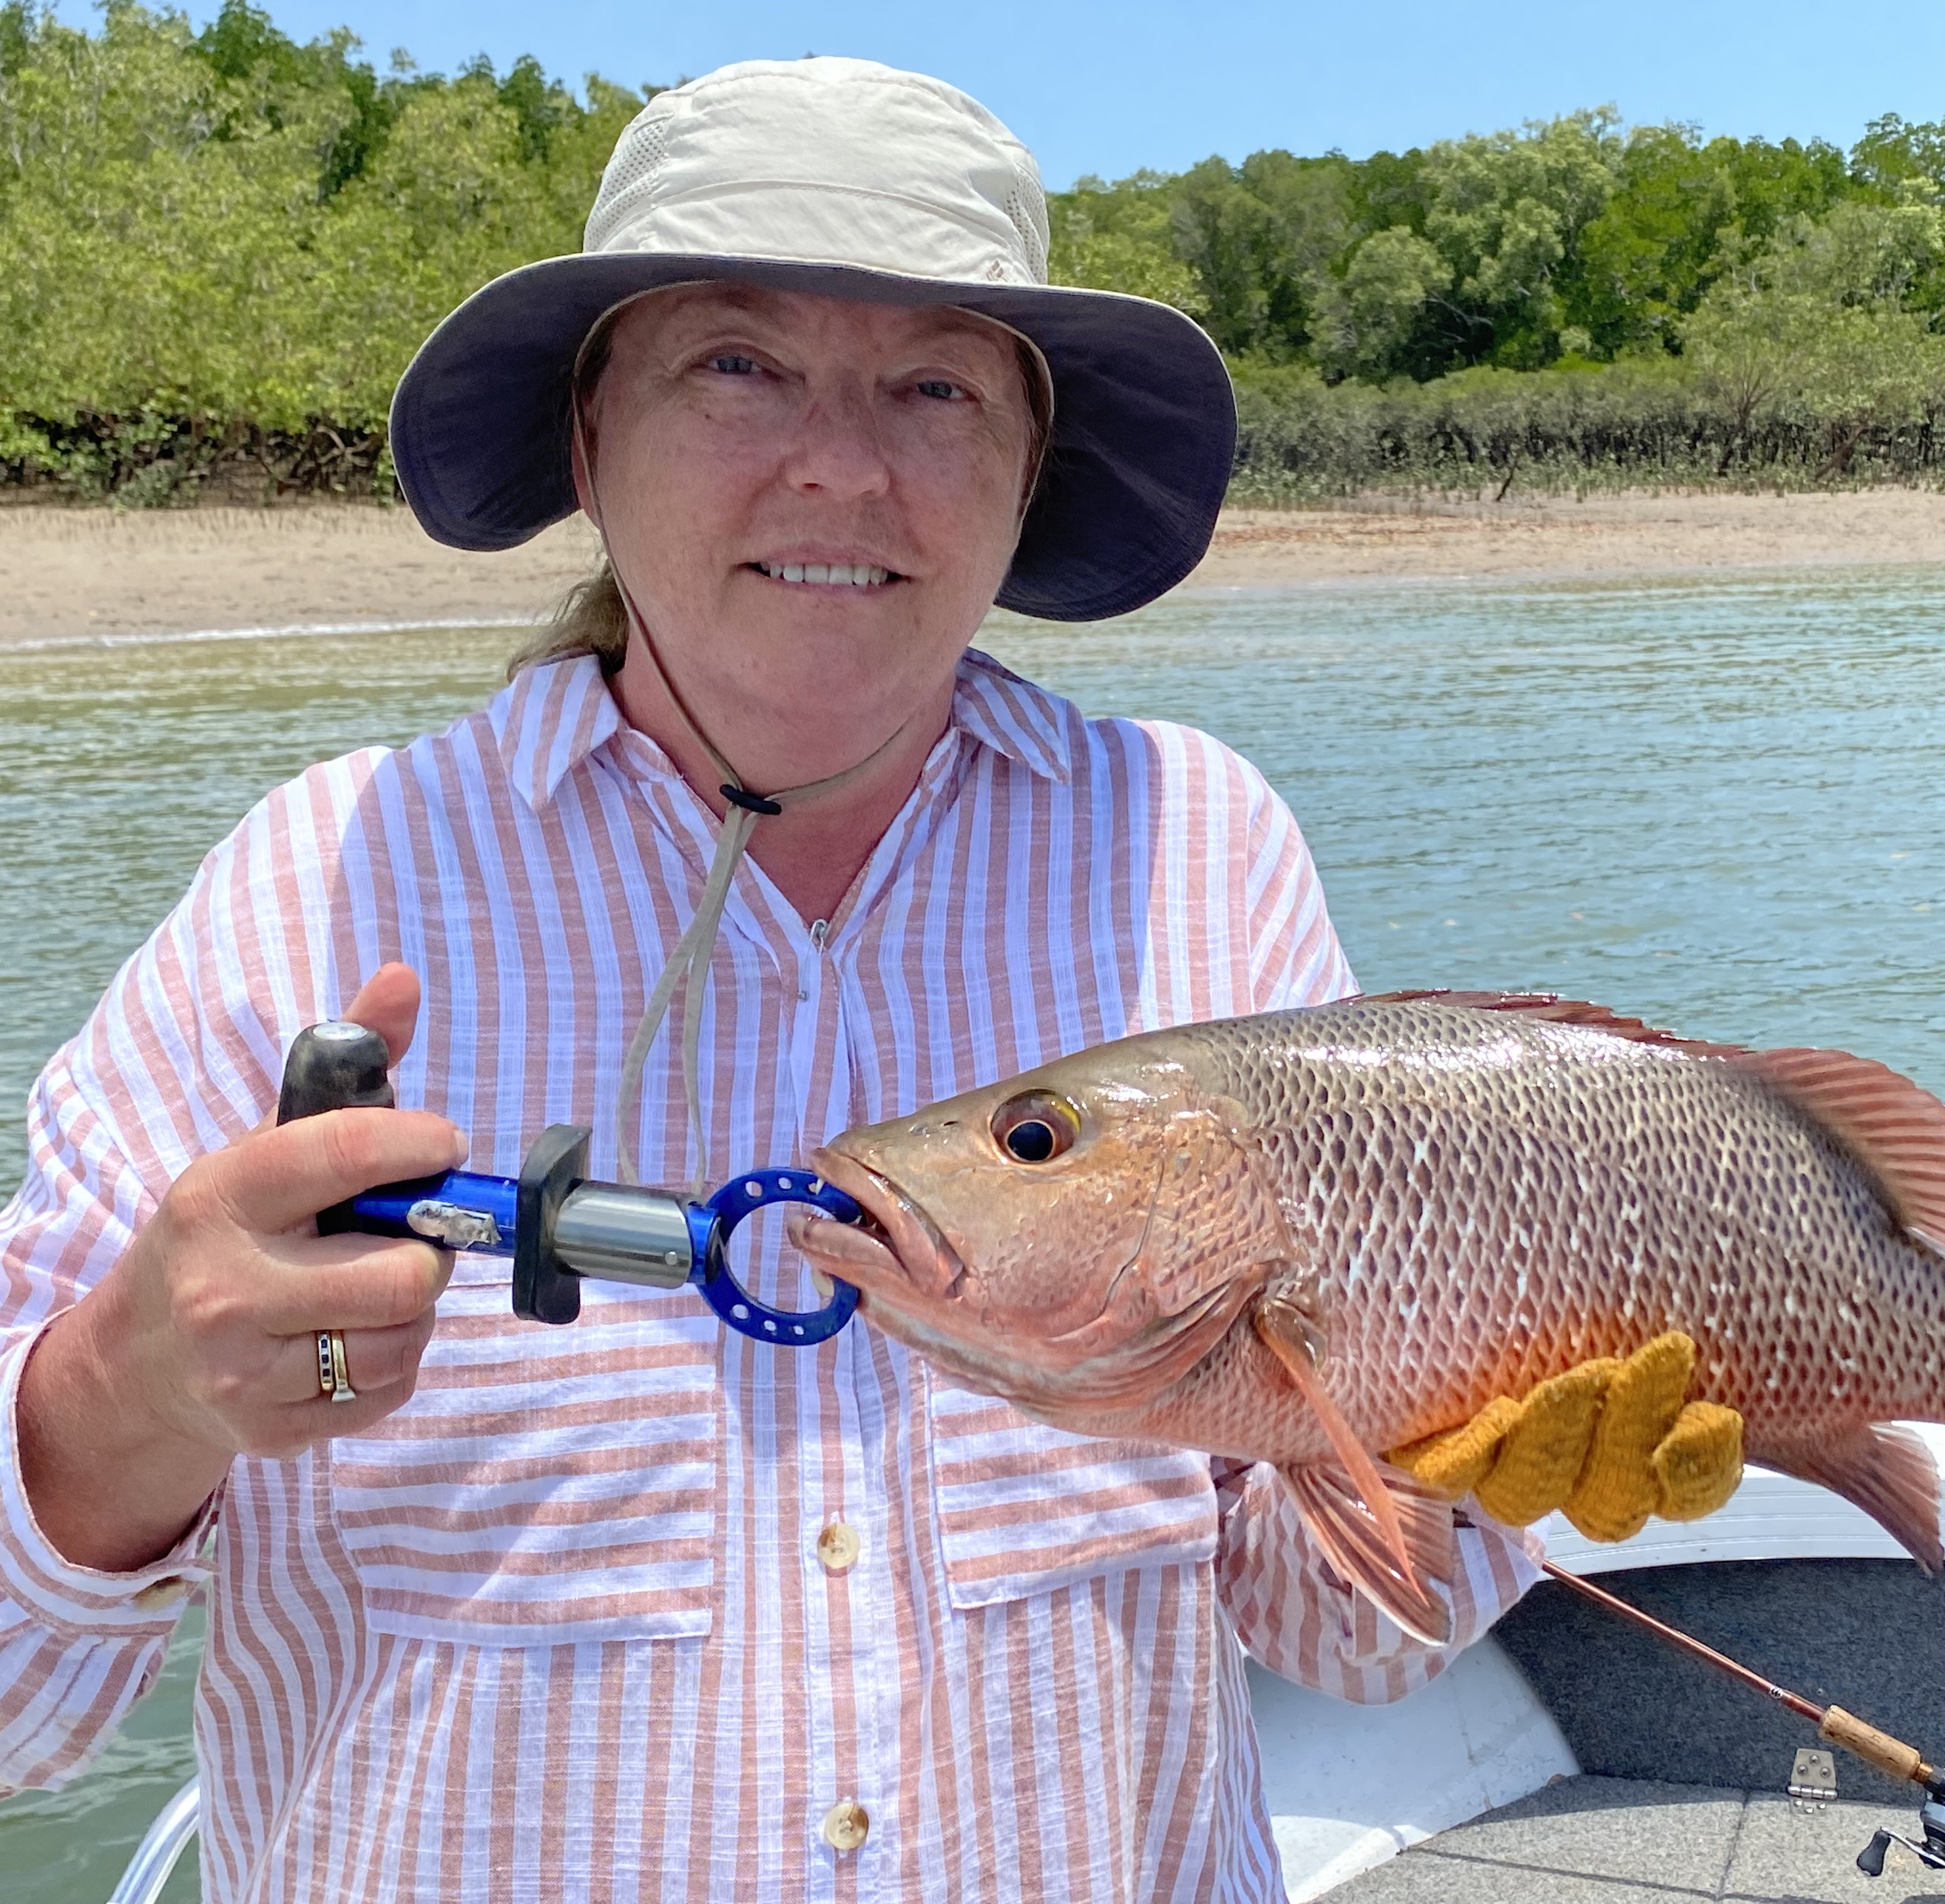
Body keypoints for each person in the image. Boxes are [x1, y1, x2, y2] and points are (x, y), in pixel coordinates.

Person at [0, 57, 1737, 1901]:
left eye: (935, 386)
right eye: (736, 366)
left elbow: (1346, 1637)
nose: (841, 464)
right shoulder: (309, 889)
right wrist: (134, 1394)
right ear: (591, 441)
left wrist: (1467, 1455)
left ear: (1023, 471)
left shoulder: (1201, 845)